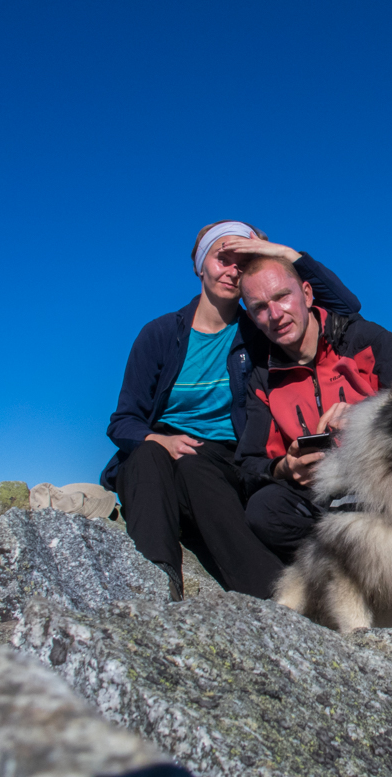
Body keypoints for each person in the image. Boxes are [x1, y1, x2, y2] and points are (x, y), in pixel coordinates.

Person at [101, 221, 361, 601]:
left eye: (245, 261)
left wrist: (281, 254)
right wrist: (160, 439)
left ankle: (276, 599)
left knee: (195, 464)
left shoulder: (258, 332)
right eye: (223, 257)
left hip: (223, 462)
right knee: (145, 455)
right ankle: (157, 584)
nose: (233, 270)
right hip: (157, 456)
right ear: (199, 266)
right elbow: (123, 421)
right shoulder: (160, 335)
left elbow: (344, 308)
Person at [233, 253, 392, 562]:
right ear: (252, 319)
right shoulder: (262, 379)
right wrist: (285, 468)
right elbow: (249, 463)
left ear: (306, 294)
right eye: (261, 308)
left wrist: (367, 416)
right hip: (322, 497)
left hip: (388, 483)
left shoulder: (363, 339)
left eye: (282, 297)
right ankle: (351, 568)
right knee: (265, 509)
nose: (275, 314)